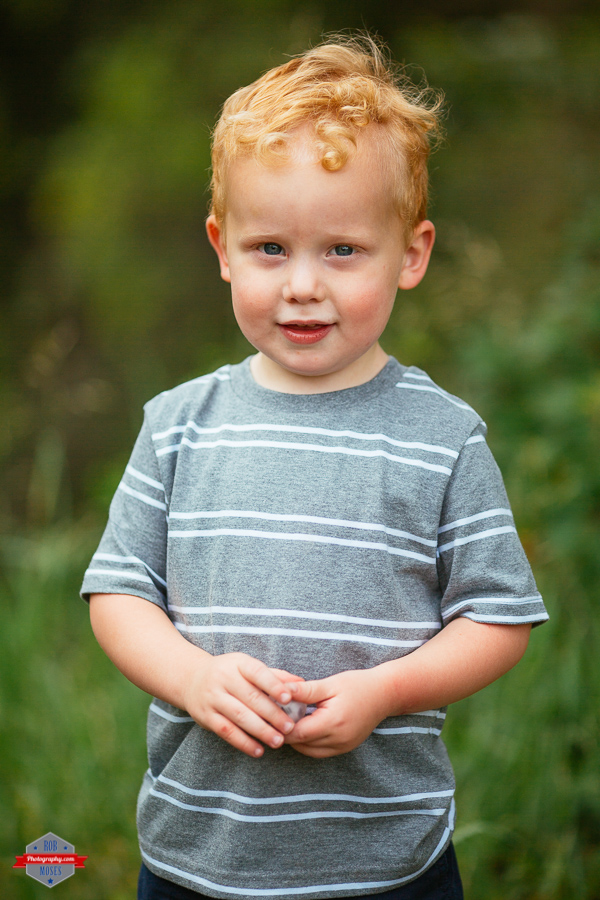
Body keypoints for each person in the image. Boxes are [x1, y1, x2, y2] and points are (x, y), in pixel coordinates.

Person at [82, 34, 548, 900]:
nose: (302, 284)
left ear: (411, 254)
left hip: (386, 861)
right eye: (270, 249)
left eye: (342, 250)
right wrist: (193, 677)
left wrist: (386, 691)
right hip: (198, 856)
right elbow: (118, 593)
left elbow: (498, 618)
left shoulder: (443, 438)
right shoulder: (178, 426)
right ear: (222, 247)